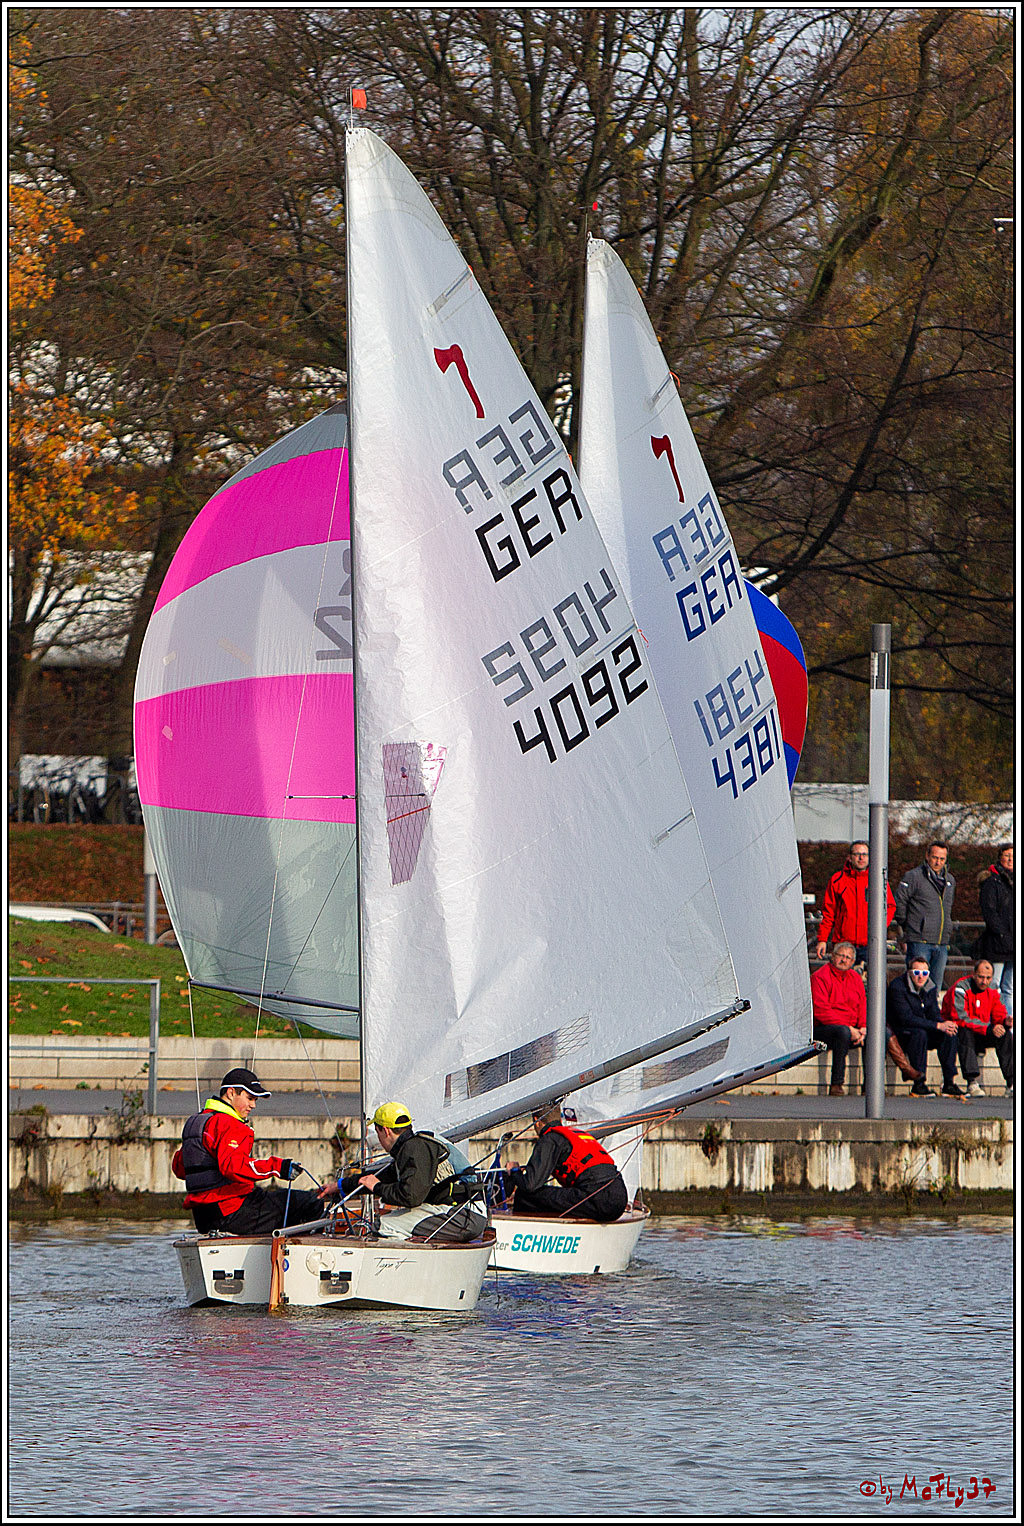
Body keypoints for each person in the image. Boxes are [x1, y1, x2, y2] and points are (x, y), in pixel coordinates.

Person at [172, 1067, 321, 1234]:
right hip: (232, 1212)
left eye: (255, 1100)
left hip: (203, 1217)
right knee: (309, 1202)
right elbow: (233, 1167)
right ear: (230, 1093)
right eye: (249, 1098)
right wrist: (279, 1167)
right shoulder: (230, 1124)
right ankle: (293, 1256)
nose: (253, 1105)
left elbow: (179, 1169)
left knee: (275, 1201)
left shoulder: (197, 1122)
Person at [318, 1101, 487, 1243]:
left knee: (385, 1225)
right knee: (392, 1220)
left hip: (464, 1216)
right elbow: (378, 1177)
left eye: (377, 1133)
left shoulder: (415, 1150)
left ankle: (401, 1272)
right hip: (460, 1213)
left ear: (385, 1130)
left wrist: (377, 1188)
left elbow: (410, 1197)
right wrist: (339, 1186)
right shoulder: (414, 1147)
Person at [810, 941, 921, 1095]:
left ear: (853, 961)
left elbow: (862, 1005)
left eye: (848, 958)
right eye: (841, 955)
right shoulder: (819, 977)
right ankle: (836, 1084)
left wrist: (862, 1027)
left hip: (853, 1028)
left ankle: (872, 1086)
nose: (844, 960)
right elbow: (821, 1010)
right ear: (832, 956)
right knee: (842, 1032)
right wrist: (850, 1028)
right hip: (825, 1028)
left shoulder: (855, 977)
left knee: (876, 1032)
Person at [503, 1103, 628, 1221]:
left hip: (598, 1199)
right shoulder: (577, 1134)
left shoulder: (549, 1139)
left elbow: (530, 1185)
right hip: (619, 1197)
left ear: (537, 1121)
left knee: (525, 1196)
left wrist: (514, 1171)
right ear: (560, 1120)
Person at [886, 958, 964, 1098]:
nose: (921, 976)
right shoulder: (897, 987)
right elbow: (905, 1018)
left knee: (948, 1033)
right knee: (919, 1034)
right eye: (916, 972)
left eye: (924, 973)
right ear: (909, 973)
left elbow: (933, 1012)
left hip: (923, 1027)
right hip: (901, 1031)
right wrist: (937, 1025)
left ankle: (949, 1082)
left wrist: (944, 1025)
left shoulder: (930, 987)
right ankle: (919, 1083)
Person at [941, 959, 1014, 1098]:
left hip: (982, 1030)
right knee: (964, 1031)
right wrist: (988, 1028)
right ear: (973, 974)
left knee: (1004, 1035)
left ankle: (1011, 1082)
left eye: (988, 978)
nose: (984, 981)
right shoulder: (961, 987)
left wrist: (1005, 1021)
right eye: (980, 977)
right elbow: (960, 1018)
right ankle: (972, 1081)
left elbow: (998, 1011)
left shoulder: (992, 988)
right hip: (960, 1032)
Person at [815, 841, 895, 964]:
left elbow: (889, 906)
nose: (861, 858)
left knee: (869, 982)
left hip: (870, 944)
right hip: (843, 944)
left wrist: (880, 926)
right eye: (857, 854)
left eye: (864, 854)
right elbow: (828, 912)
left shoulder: (878, 880)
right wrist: (822, 939)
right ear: (850, 857)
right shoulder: (838, 880)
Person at [894, 842, 956, 992]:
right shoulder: (913, 876)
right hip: (919, 940)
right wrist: (908, 924)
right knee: (916, 984)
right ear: (927, 856)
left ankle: (931, 1014)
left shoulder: (950, 881)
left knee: (935, 987)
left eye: (942, 859)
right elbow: (899, 901)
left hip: (941, 941)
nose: (938, 862)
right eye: (935, 857)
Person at [977, 845, 1014, 1019]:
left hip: (1013, 946)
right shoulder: (992, 883)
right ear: (1000, 857)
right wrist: (1003, 935)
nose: (1010, 859)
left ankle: (1009, 1023)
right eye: (1007, 855)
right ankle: (992, 1021)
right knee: (994, 985)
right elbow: (990, 913)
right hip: (997, 944)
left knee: (1010, 988)